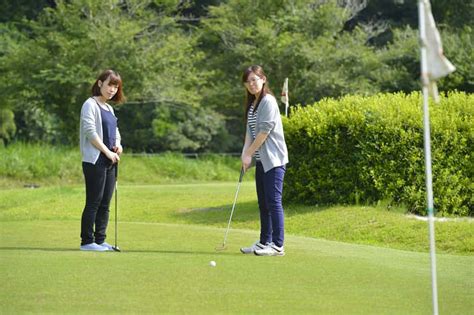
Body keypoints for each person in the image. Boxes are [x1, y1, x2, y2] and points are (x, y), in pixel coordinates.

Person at [239, 65, 289, 256]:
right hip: (262, 161)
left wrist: (249, 153)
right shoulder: (253, 105)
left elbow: (263, 133)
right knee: (264, 203)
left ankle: (277, 245)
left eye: (254, 79)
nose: (251, 84)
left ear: (263, 79)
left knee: (274, 201)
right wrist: (245, 155)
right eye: (248, 81)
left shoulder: (268, 101)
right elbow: (250, 134)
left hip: (274, 160)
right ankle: (264, 241)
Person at [79, 69, 125, 251]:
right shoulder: (90, 104)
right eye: (109, 85)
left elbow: (116, 132)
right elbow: (90, 132)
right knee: (94, 201)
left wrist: (119, 146)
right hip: (95, 160)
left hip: (110, 161)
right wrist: (107, 152)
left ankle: (100, 240)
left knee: (105, 203)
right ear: (100, 84)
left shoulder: (109, 108)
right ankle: (87, 242)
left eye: (116, 87)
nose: (112, 90)